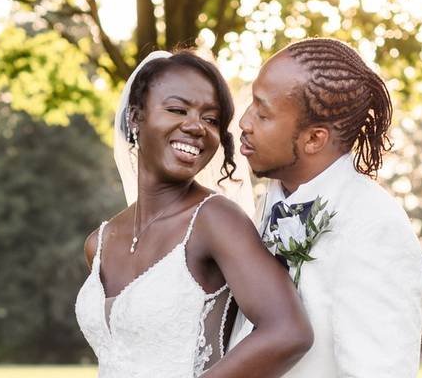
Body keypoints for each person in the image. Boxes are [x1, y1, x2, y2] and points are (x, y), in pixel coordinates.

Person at [75, 51, 313, 377]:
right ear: (134, 118)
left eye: (211, 119)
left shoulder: (215, 220)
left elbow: (288, 331)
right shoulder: (99, 243)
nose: (196, 126)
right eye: (177, 109)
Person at [230, 38, 422, 377]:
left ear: (314, 139)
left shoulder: (373, 227)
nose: (244, 122)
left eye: (263, 113)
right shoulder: (267, 204)